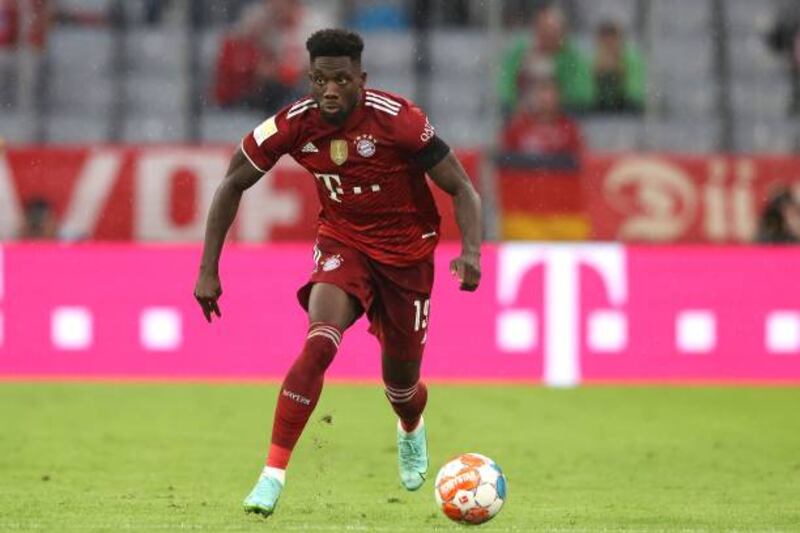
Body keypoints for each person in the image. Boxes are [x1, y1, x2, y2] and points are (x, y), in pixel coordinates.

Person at [194, 28, 483, 516]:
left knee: (401, 386)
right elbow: (230, 184)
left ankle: (411, 425)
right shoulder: (295, 123)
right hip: (343, 244)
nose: (330, 89)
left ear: (361, 79)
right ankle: (272, 475)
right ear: (310, 78)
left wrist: (472, 252)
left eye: (341, 80)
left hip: (407, 258)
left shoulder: (401, 122)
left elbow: (463, 188)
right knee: (320, 340)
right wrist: (208, 270)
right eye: (320, 79)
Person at [499, 3, 593, 115]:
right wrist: (516, 107)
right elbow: (503, 88)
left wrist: (552, 105)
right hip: (521, 118)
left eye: (553, 32)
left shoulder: (573, 59)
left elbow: (583, 95)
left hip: (562, 120)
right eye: (544, 31)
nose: (548, 37)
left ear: (562, 33)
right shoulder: (518, 54)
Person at [502, 77, 583, 162]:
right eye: (540, 94)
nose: (545, 100)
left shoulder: (569, 127)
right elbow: (504, 159)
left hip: (558, 174)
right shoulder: (516, 126)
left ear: (559, 97)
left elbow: (580, 159)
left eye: (550, 94)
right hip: (525, 174)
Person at [592, 20, 645, 113]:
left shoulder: (632, 60)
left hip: (628, 110)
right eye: (605, 42)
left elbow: (634, 96)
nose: (609, 45)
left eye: (613, 40)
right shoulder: (591, 61)